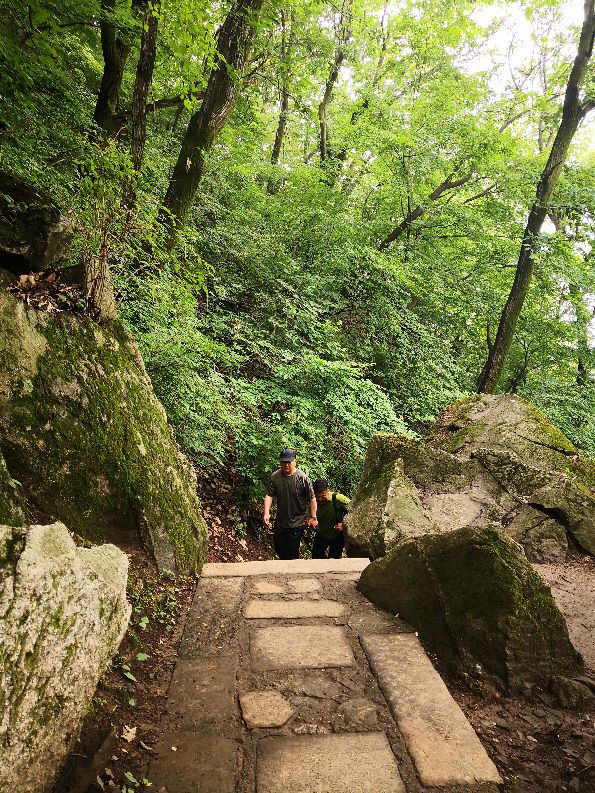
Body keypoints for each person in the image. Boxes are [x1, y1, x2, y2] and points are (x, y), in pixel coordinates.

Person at [263, 449, 318, 560]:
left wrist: (313, 517)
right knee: (279, 547)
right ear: (280, 463)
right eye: (284, 462)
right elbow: (269, 495)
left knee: (292, 550)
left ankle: (292, 573)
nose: (286, 465)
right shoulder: (275, 477)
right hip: (281, 521)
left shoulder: (302, 478)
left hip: (297, 522)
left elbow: (312, 498)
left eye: (289, 462)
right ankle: (285, 569)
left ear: (295, 462)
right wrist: (266, 513)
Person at [311, 479, 350, 559]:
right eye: (317, 497)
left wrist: (344, 524)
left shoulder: (337, 498)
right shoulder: (311, 501)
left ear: (327, 491)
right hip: (321, 533)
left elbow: (354, 509)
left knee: (334, 559)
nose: (320, 499)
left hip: (337, 535)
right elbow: (308, 515)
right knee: (316, 557)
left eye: (323, 496)